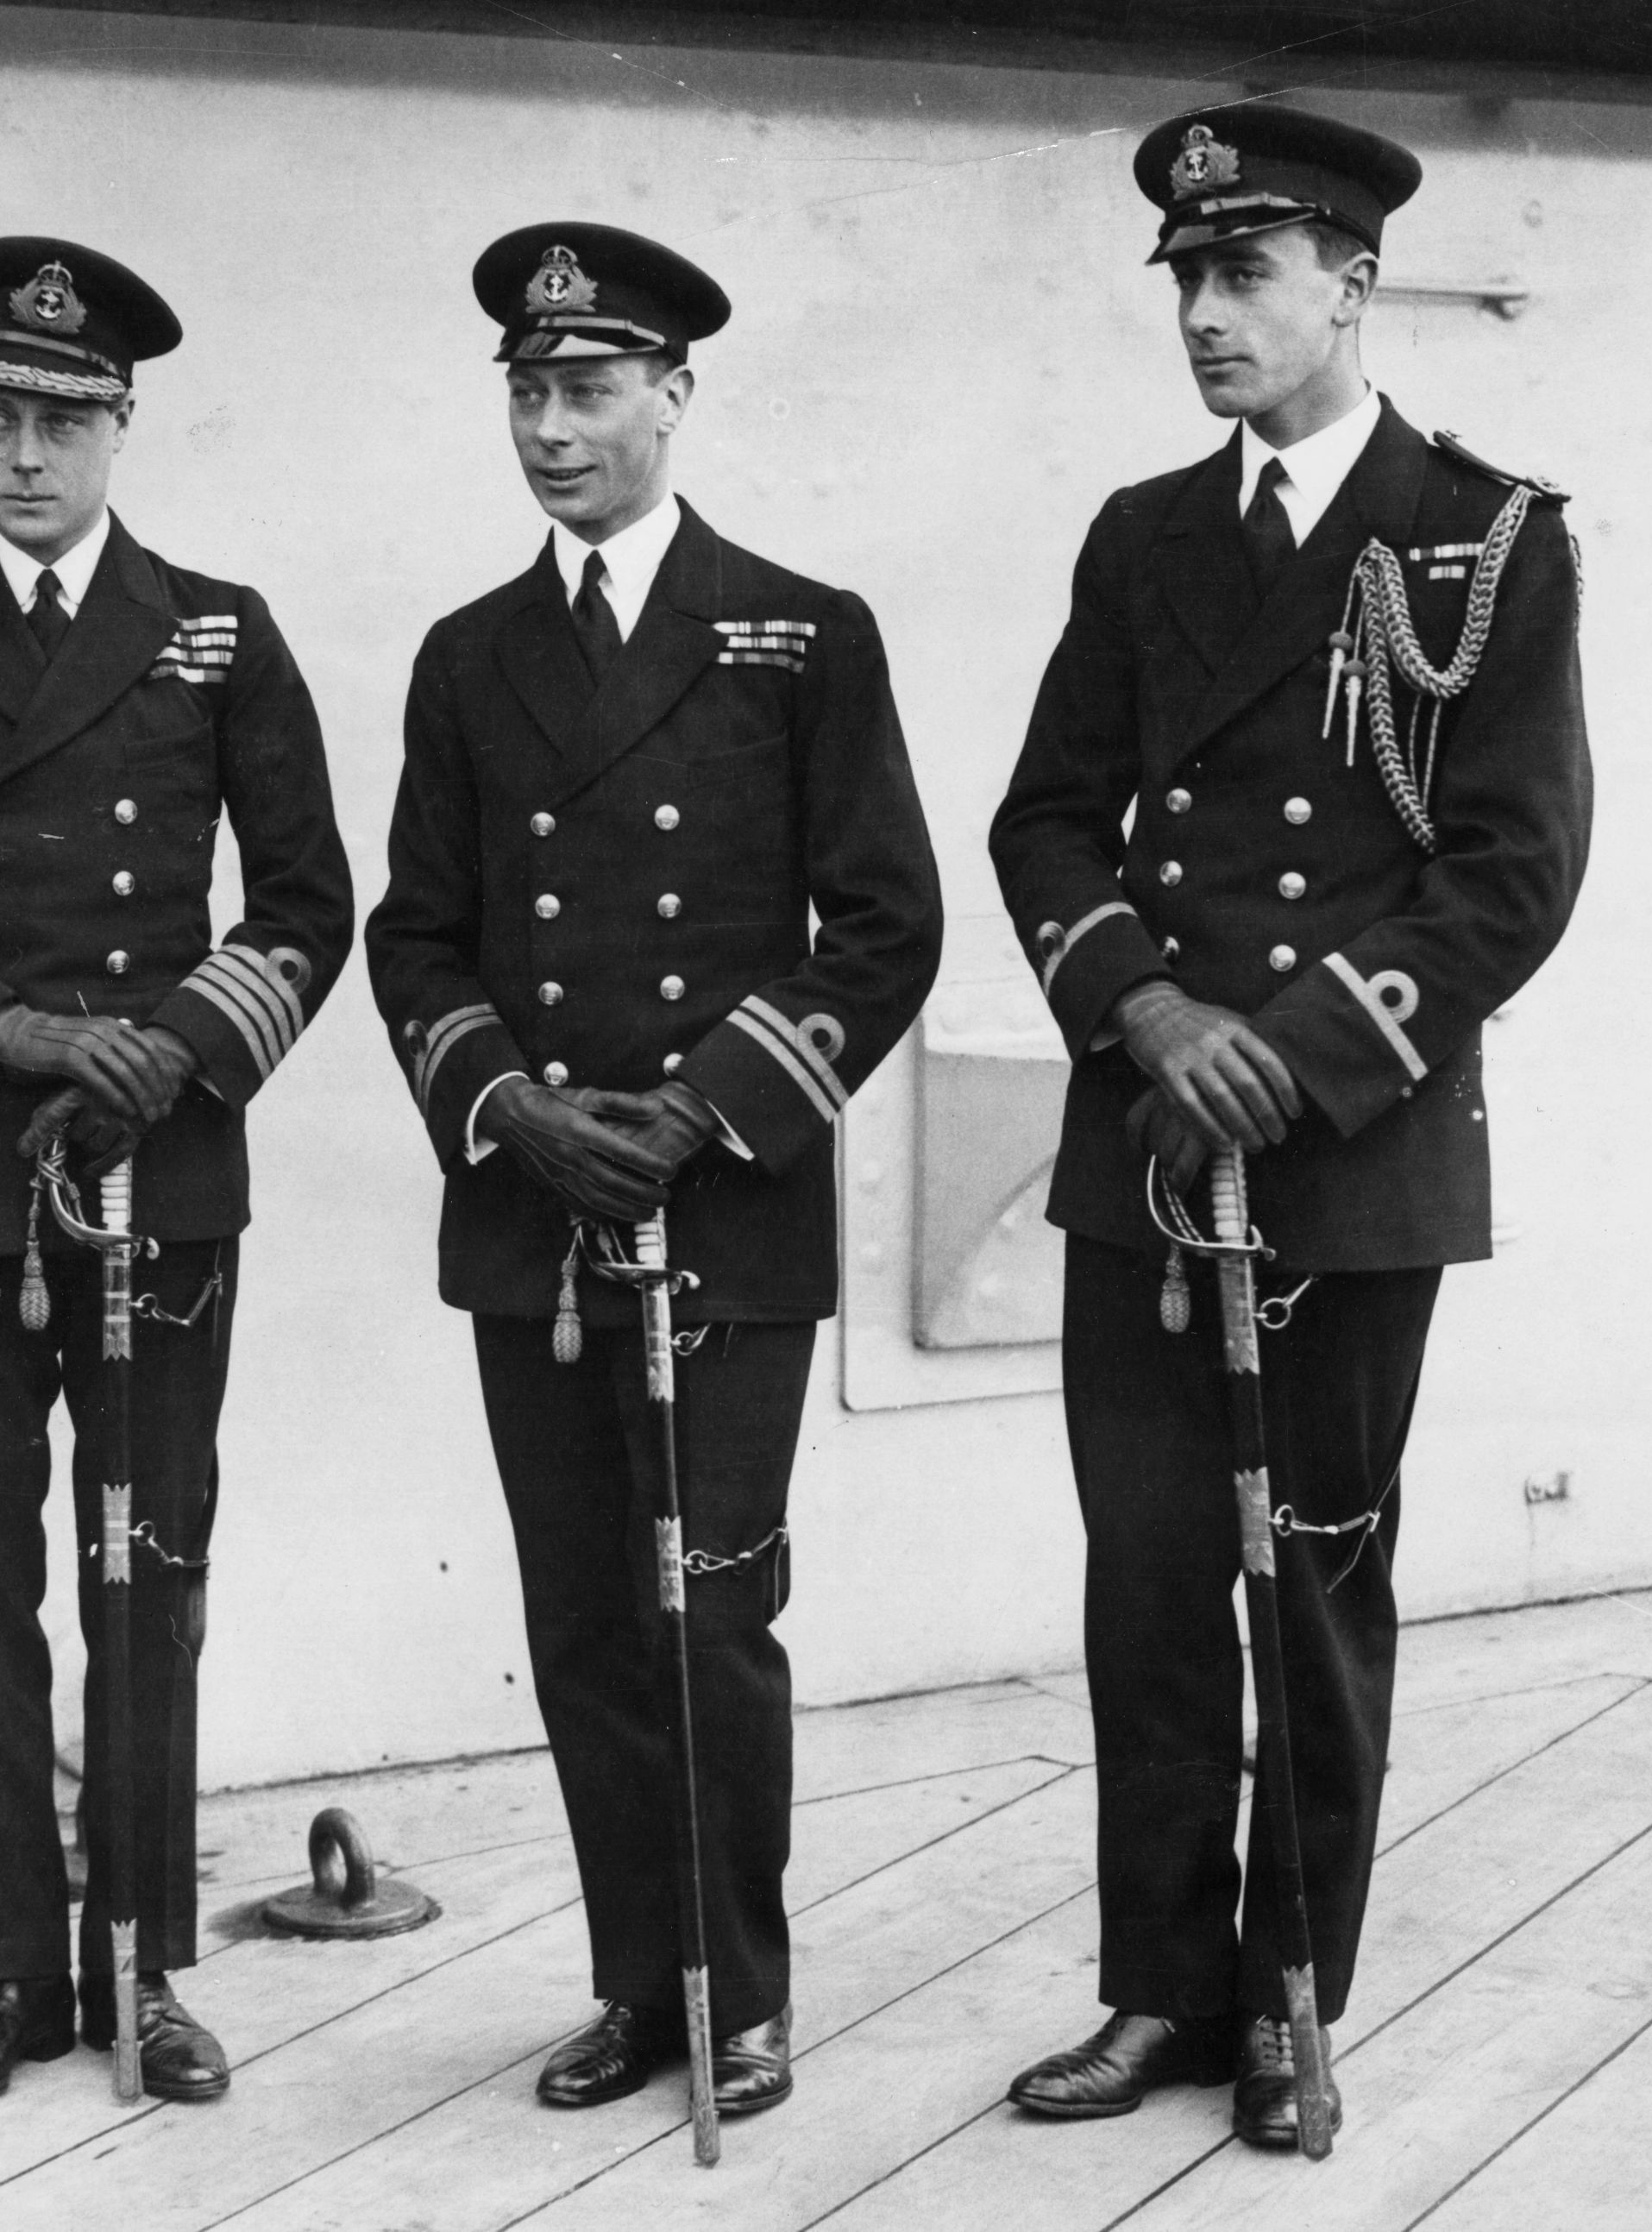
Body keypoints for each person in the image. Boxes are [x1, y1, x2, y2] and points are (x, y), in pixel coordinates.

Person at [989, 107, 1591, 2149]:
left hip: (1354, 1144)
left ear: (1354, 283)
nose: (1208, 318)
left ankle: (1288, 2000)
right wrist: (1150, 1010)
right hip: (1151, 1139)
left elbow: (1513, 867)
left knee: (1310, 1581)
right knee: (1149, 1582)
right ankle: (1158, 1990)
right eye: (1186, 281)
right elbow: (1046, 817)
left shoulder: (1487, 537)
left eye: (1247, 276)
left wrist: (1308, 1045)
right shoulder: (1141, 535)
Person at [364, 223, 941, 2121]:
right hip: (534, 1210)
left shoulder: (800, 630)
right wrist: (511, 1105)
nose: (552, 425)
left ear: (673, 398)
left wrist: (699, 1111)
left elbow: (882, 926)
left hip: (725, 1206)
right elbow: (416, 935)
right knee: (583, 1617)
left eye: (590, 387)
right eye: (527, 390)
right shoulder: (470, 658)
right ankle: (636, 1983)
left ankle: (739, 1989)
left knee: (707, 1603)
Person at [0, 236, 351, 2109]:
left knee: (147, 1568)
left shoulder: (219, 630)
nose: (24, 457)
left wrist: (167, 1046)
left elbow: (310, 900)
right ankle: (10, 1970)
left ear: (123, 426)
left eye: (62, 421)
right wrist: (9, 1033)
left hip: (160, 1169)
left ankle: (147, 1962)